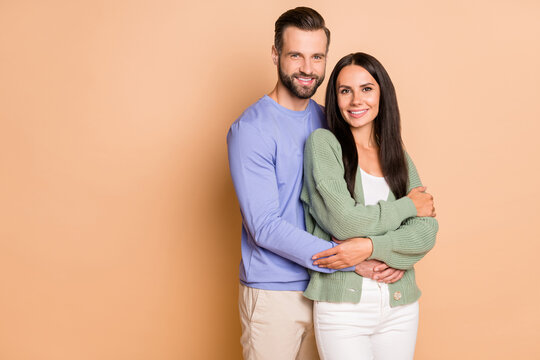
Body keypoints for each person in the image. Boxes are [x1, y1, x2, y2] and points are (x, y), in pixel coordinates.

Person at [227, 7, 434, 359]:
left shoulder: (330, 119)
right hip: (276, 290)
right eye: (296, 55)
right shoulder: (251, 130)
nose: (308, 68)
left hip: (328, 289)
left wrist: (368, 254)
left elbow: (364, 201)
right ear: (276, 54)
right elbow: (265, 226)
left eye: (317, 56)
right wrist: (357, 260)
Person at [300, 52, 439, 360]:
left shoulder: (396, 153)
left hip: (400, 305)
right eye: (344, 90)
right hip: (343, 311)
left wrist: (369, 247)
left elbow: (427, 228)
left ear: (381, 94)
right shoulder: (324, 144)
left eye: (366, 89)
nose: (355, 101)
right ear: (335, 98)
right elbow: (344, 222)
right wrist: (407, 207)